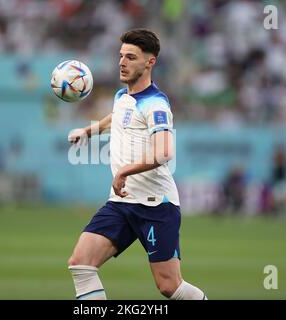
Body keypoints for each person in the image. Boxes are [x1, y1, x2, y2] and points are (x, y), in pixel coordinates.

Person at [67, 29, 207, 300]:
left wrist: (124, 171)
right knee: (81, 263)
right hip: (121, 204)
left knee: (169, 286)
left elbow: (165, 151)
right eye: (121, 56)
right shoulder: (122, 97)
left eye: (131, 57)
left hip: (156, 205)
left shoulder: (156, 105)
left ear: (149, 62)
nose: (122, 62)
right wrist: (88, 130)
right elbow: (115, 118)